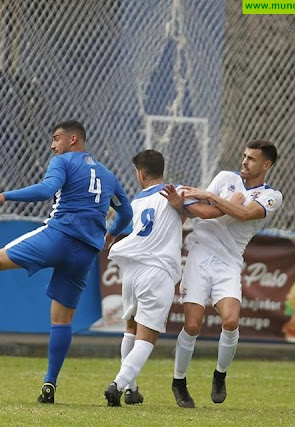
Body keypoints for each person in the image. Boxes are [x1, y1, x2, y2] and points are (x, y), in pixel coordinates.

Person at [0, 120, 132, 404]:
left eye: (56, 138)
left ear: (73, 139)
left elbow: (46, 190)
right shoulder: (107, 175)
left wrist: (5, 195)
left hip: (58, 237)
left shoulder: (64, 162)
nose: (53, 145)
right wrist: (111, 234)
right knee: (62, 319)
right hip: (86, 253)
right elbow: (126, 212)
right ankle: (50, 383)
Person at [171, 140, 283, 408]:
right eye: (244, 156)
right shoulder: (225, 178)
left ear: (266, 165)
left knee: (231, 321)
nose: (244, 162)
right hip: (199, 254)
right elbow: (207, 211)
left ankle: (220, 375)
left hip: (230, 262)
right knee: (192, 325)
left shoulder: (271, 196)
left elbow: (244, 214)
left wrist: (210, 196)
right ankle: (179, 382)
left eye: (252, 159)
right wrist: (185, 202)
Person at [102, 150, 188, 406]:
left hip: (131, 270)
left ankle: (132, 390)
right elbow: (197, 212)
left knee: (130, 328)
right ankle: (118, 385)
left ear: (140, 173)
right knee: (147, 336)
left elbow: (123, 227)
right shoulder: (175, 192)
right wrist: (181, 206)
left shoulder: (135, 202)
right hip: (156, 271)